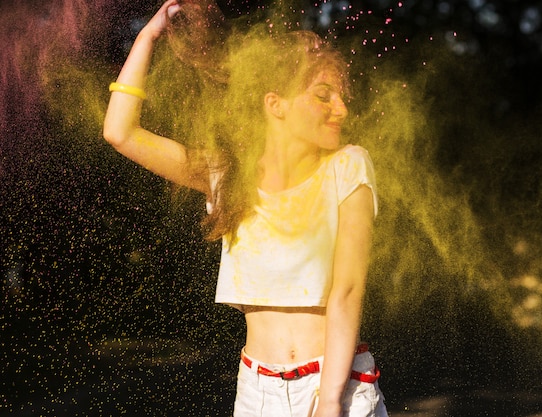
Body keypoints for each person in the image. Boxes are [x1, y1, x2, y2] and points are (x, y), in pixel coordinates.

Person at [103, 1, 388, 416]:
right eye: (323, 96)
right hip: (257, 391)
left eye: (343, 97)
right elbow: (120, 131)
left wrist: (329, 401)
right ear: (276, 104)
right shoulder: (225, 173)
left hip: (337, 385)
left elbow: (347, 291)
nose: (341, 109)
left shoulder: (349, 165)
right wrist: (148, 37)